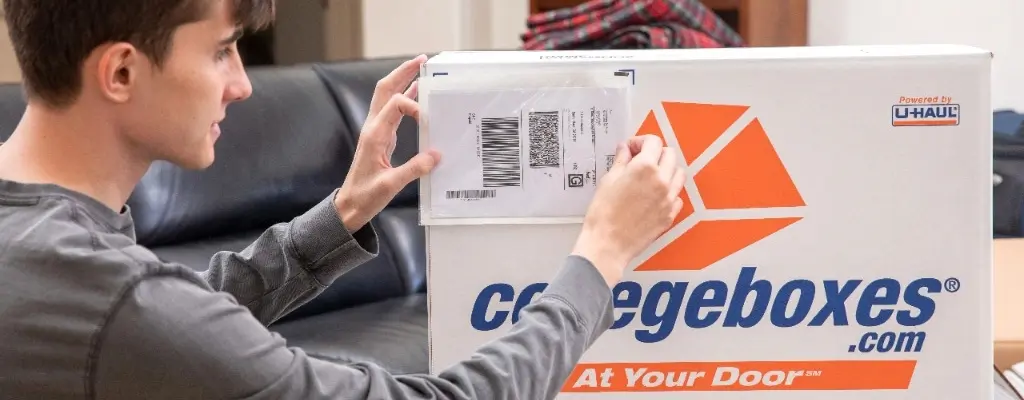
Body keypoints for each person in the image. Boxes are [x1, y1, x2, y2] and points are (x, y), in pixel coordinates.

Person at [0, 0, 686, 399]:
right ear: (121, 70)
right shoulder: (113, 300)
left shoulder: (46, 248)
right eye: (222, 51)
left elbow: (173, 317)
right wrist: (601, 256)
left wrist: (344, 211)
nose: (241, 85)